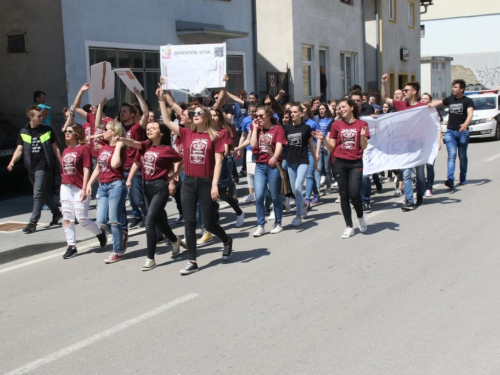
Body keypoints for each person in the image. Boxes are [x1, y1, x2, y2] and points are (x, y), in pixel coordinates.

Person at [158, 86, 233, 275]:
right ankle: (192, 261)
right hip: (189, 183)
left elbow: (218, 162)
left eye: (200, 112)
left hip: (207, 182)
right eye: (195, 113)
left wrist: (215, 184)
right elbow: (166, 121)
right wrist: (161, 99)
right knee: (189, 223)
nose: (196, 114)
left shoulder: (215, 136)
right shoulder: (186, 133)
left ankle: (226, 240)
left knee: (208, 223)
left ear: (206, 117)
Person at [118, 122, 183, 271]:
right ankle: (175, 240)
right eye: (148, 128)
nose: (149, 130)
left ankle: (150, 259)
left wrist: (172, 177)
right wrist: (122, 139)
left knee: (149, 222)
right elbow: (133, 143)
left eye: (153, 128)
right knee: (160, 222)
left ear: (161, 133)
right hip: (146, 187)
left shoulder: (167, 149)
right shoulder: (146, 145)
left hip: (160, 187)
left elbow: (182, 160)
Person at [312, 98, 369, 238]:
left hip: (355, 163)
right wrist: (324, 139)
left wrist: (361, 135)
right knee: (344, 194)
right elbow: (331, 147)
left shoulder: (362, 124)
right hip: (339, 163)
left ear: (351, 107)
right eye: (339, 108)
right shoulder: (336, 125)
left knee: (354, 194)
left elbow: (364, 146)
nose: (341, 109)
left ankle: (360, 216)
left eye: (344, 107)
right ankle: (349, 226)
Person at [8, 105, 62, 233]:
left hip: (44, 167)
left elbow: (55, 148)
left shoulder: (47, 130)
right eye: (39, 116)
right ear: (31, 117)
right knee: (42, 193)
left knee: (37, 194)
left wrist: (61, 161)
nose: (42, 117)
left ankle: (32, 223)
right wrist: (12, 162)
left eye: (42, 115)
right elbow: (19, 149)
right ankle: (56, 212)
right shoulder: (23, 132)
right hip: (31, 167)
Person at [59, 122, 107, 259]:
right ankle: (71, 246)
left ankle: (99, 232)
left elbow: (87, 169)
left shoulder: (84, 149)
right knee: (67, 217)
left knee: (82, 218)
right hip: (66, 187)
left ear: (77, 133)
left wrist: (85, 187)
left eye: (69, 131)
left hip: (80, 187)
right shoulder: (65, 150)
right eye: (65, 132)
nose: (66, 134)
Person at [381, 74, 427, 211]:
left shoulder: (422, 106)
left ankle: (420, 196)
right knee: (406, 173)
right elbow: (385, 98)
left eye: (406, 90)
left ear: (415, 92)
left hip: (419, 145)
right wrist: (384, 84)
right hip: (405, 146)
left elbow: (433, 121)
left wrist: (437, 139)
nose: (404, 92)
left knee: (419, 174)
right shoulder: (401, 104)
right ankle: (409, 200)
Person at [86, 120, 128, 263]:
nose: (104, 131)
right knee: (102, 221)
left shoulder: (120, 148)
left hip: (116, 185)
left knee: (114, 220)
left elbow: (115, 164)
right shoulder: (103, 149)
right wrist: (89, 184)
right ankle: (121, 235)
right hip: (103, 186)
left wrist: (119, 144)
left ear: (115, 132)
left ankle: (117, 251)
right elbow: (98, 168)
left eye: (107, 129)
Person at [428, 79, 474, 188]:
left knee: (462, 156)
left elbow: (470, 114)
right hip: (450, 132)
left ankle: (462, 178)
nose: (453, 88)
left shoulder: (468, 101)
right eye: (453, 86)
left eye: (456, 87)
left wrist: (465, 124)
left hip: (463, 132)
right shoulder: (450, 99)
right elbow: (437, 103)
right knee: (452, 155)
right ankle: (450, 179)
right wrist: (428, 105)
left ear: (461, 89)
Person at [250, 106, 286, 236]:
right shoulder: (256, 129)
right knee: (259, 196)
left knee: (275, 195)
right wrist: (254, 128)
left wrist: (275, 157)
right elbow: (253, 144)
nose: (258, 118)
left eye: (261, 116)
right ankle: (261, 225)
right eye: (256, 116)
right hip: (260, 166)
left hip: (273, 167)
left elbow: (279, 145)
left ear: (268, 116)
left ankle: (278, 223)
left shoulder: (278, 129)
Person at [285, 105, 317, 226]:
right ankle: (303, 205)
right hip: (291, 162)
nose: (292, 114)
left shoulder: (306, 128)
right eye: (291, 112)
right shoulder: (286, 128)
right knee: (294, 190)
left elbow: (311, 146)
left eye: (295, 112)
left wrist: (315, 161)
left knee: (298, 187)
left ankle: (298, 216)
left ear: (301, 114)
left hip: (303, 161)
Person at [420, 93, 443, 196]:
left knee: (429, 165)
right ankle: (423, 184)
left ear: (430, 101)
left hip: (431, 142)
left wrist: (439, 140)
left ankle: (429, 187)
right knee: (418, 166)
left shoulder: (434, 111)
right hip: (420, 142)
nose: (424, 100)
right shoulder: (417, 110)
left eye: (426, 99)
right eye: (422, 99)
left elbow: (438, 126)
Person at [316, 103, 334, 194]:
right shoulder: (317, 119)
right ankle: (318, 188)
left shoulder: (330, 120)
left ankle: (328, 186)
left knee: (327, 168)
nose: (321, 111)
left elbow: (330, 134)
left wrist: (327, 145)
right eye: (320, 109)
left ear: (326, 110)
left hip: (327, 144)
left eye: (323, 109)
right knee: (318, 167)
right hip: (318, 144)